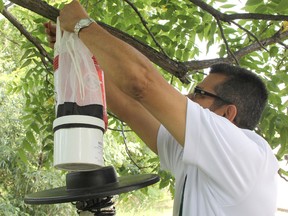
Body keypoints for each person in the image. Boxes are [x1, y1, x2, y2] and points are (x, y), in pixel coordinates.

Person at [45, 1, 279, 215]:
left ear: (228, 113)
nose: (188, 97)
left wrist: (83, 25)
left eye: (199, 94)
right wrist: (77, 54)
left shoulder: (246, 155)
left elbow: (142, 83)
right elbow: (128, 106)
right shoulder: (197, 152)